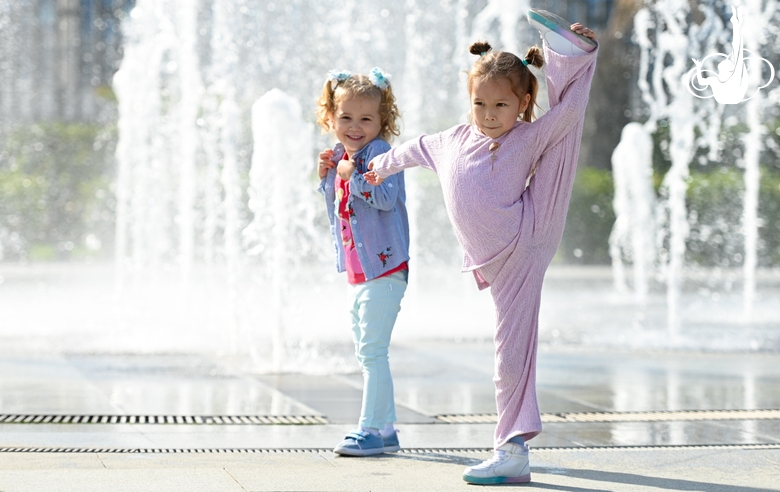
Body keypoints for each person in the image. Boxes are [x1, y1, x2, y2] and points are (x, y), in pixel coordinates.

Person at [365, 21, 598, 484]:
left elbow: (569, 114)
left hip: (525, 241)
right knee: (507, 348)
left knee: (508, 351)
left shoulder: (525, 137)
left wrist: (589, 60)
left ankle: (510, 449)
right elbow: (413, 149)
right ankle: (570, 55)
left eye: (501, 105)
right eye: (480, 103)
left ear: (523, 104)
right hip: (495, 254)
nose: (489, 114)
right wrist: (379, 166)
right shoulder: (451, 140)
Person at [315, 67, 410, 457]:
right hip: (362, 271)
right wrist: (326, 178)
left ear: (382, 120)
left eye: (366, 119)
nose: (355, 126)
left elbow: (385, 198)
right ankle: (386, 429)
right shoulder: (343, 154)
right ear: (331, 118)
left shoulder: (382, 153)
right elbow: (339, 210)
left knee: (372, 352)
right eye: (346, 117)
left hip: (386, 269)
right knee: (367, 351)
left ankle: (369, 430)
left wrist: (351, 176)